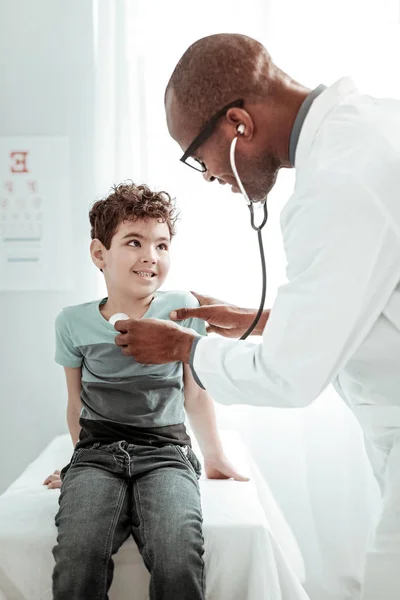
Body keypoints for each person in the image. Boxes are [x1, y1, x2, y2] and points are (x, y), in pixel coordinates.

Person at [112, 34, 400, 600]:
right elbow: (368, 302)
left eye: (200, 158)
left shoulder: (338, 184)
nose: (209, 177)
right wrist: (255, 319)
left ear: (238, 124)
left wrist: (182, 348)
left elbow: (291, 377)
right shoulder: (369, 130)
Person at [45, 182, 247, 600]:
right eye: (134, 242)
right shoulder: (72, 322)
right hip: (97, 454)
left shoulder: (182, 310)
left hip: (166, 452)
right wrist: (75, 462)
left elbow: (195, 395)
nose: (150, 257)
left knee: (178, 552)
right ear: (100, 254)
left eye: (162, 245)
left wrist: (214, 456)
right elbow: (75, 404)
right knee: (78, 552)